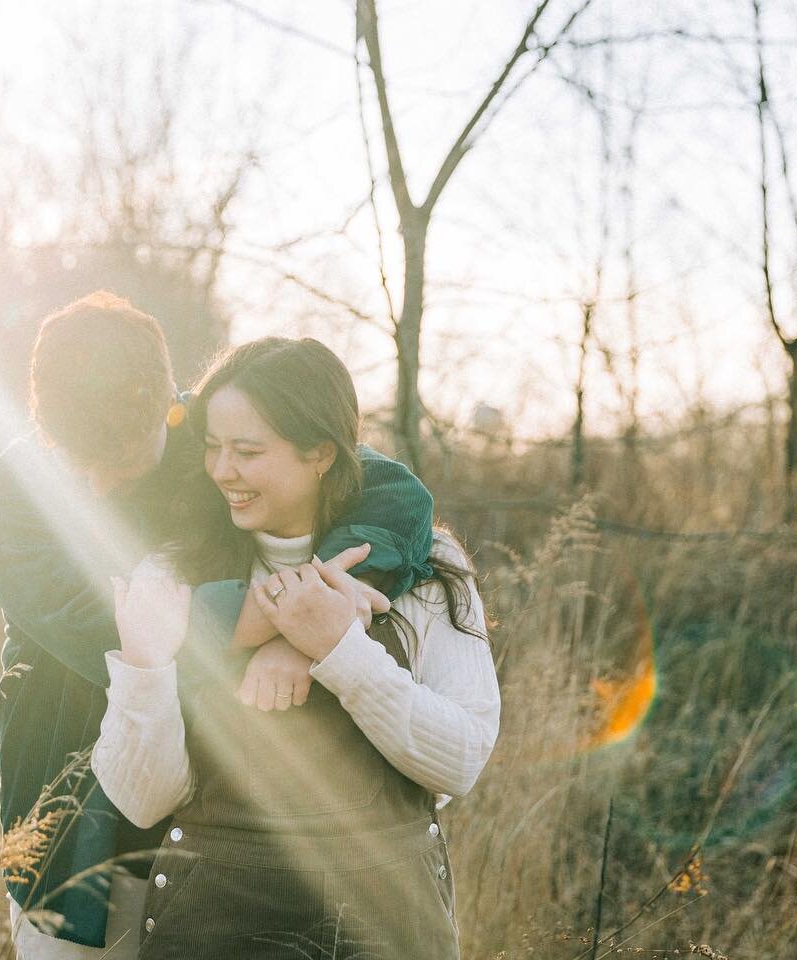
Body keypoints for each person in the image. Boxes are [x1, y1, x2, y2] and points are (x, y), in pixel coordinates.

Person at [0, 293, 439, 958]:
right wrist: (292, 616)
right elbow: (102, 630)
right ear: (42, 421)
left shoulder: (214, 434)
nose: (101, 484)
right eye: (81, 463)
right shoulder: (15, 492)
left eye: (125, 460)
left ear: (169, 404)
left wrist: (308, 626)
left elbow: (394, 495)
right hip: (69, 798)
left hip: (204, 811)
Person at [92, 337, 502, 960]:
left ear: (320, 453)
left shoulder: (429, 568)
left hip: (386, 927)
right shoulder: (173, 572)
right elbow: (143, 800)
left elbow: (460, 761)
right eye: (212, 447)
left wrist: (339, 652)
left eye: (247, 451)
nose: (222, 470)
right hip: (213, 928)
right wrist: (145, 669)